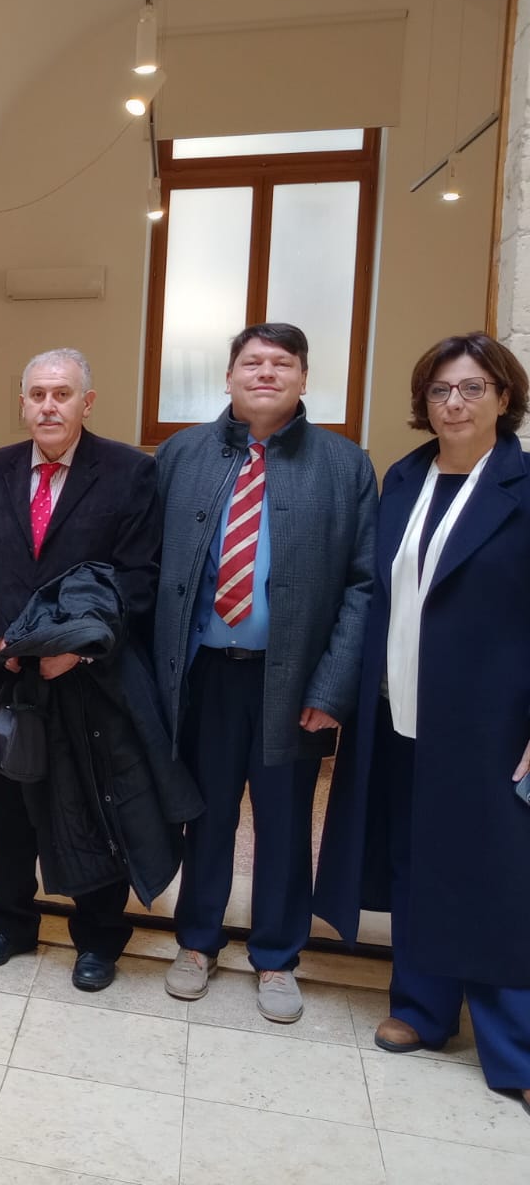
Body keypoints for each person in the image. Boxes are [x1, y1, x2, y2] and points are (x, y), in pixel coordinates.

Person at [317, 332, 530, 1115]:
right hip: (400, 713)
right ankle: (422, 1007)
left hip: (492, 725)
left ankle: (515, 1047)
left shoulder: (523, 487)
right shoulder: (405, 478)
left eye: (472, 388)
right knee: (414, 860)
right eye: (441, 390)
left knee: (497, 877)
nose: (455, 404)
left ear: (504, 397)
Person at [154, 322, 375, 1023]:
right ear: (229, 377)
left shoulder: (345, 466)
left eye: (283, 363)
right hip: (205, 675)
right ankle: (197, 942)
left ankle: (277, 956)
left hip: (295, 683)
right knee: (206, 814)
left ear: (304, 378)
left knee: (284, 823)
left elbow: (364, 586)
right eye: (252, 362)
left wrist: (332, 688)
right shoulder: (181, 454)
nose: (267, 373)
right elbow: (148, 567)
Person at [0, 348, 167, 992]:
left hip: (86, 675)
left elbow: (138, 578)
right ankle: (10, 923)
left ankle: (99, 937)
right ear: (22, 404)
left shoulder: (130, 472)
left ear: (88, 402)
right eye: (37, 395)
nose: (49, 406)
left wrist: (79, 648)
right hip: (10, 672)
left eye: (62, 394)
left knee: (89, 803)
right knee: (7, 804)